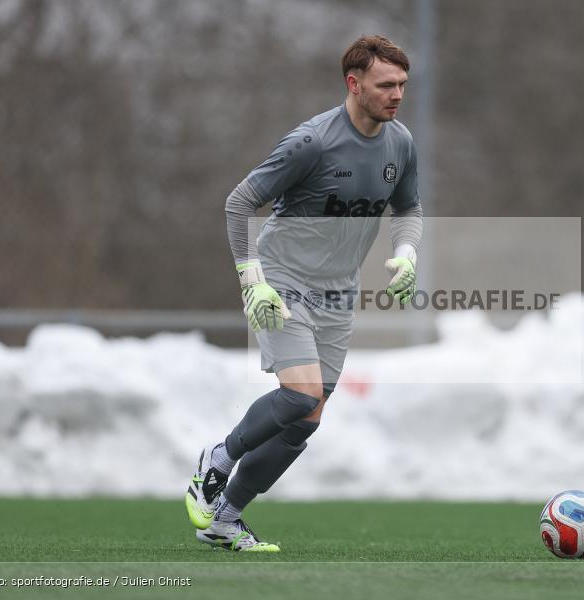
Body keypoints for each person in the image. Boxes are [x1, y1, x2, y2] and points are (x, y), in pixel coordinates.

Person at [184, 35, 424, 552]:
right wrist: (252, 279)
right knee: (300, 394)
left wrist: (406, 253)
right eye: (386, 85)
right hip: (282, 280)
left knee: (306, 420)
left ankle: (225, 519)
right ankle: (217, 459)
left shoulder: (401, 143)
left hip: (339, 293)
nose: (397, 95)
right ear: (353, 84)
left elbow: (408, 208)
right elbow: (238, 202)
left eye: (403, 84)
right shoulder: (312, 141)